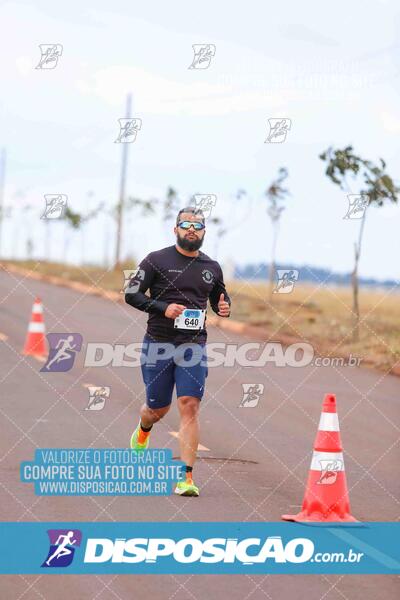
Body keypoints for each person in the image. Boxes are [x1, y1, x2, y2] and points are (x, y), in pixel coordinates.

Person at [125, 206, 231, 496]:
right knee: (157, 409)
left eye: (197, 226)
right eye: (186, 225)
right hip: (158, 343)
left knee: (189, 405)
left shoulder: (211, 267)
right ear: (176, 230)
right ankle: (144, 429)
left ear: (204, 232)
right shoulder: (155, 260)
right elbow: (130, 294)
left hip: (193, 346)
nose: (192, 229)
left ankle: (186, 478)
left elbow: (219, 296)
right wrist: (163, 308)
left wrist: (225, 306)